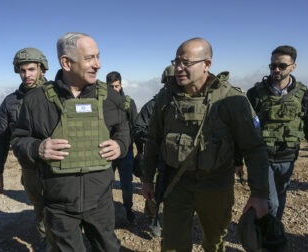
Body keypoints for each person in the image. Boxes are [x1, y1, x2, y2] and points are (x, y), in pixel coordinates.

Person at [141, 37, 269, 251]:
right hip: (177, 183)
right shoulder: (167, 98)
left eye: (186, 63)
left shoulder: (231, 99)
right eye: (176, 62)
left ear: (206, 64)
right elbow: (153, 140)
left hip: (216, 184)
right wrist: (147, 179)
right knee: (173, 244)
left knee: (214, 241)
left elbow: (254, 148)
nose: (179, 68)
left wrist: (259, 194)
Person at [12, 32, 130, 251]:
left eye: (98, 57)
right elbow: (18, 140)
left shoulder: (110, 97)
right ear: (66, 62)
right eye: (90, 58)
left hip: (101, 202)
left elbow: (122, 129)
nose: (98, 65)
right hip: (58, 205)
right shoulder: (37, 100)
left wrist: (120, 145)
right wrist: (38, 148)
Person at [245, 45, 308, 220]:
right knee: (271, 202)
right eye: (272, 65)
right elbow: (244, 129)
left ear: (293, 67)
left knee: (281, 197)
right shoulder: (255, 94)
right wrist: (237, 159)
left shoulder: (305, 96)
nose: (276, 69)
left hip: (288, 158)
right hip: (262, 157)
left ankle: (272, 232)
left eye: (282, 66)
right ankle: (265, 241)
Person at [0, 47, 49, 241]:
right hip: (31, 167)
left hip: (61, 165)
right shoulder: (11, 102)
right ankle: (45, 242)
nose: (26, 75)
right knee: (40, 208)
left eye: (31, 69)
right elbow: (1, 138)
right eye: (22, 70)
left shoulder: (59, 94)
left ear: (42, 69)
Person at [132, 65, 173, 237]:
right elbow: (138, 127)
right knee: (155, 189)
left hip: (177, 158)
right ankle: (153, 218)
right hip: (156, 156)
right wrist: (153, 138)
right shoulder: (154, 104)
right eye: (170, 81)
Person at [106, 71, 140, 223]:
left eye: (116, 86)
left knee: (126, 185)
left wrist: (141, 151)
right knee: (106, 184)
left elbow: (136, 127)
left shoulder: (128, 103)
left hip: (125, 151)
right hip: (107, 151)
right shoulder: (102, 104)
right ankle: (107, 213)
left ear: (121, 85)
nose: (114, 89)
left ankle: (128, 209)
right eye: (111, 87)